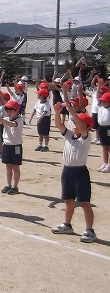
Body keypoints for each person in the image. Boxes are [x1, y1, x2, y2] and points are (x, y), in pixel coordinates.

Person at [50, 100, 97, 243]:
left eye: (79, 123)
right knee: (68, 201)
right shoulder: (70, 135)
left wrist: (71, 110)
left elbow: (82, 127)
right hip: (67, 171)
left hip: (80, 173)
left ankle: (90, 230)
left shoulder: (86, 137)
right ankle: (67, 225)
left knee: (84, 202)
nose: (75, 125)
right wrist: (57, 112)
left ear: (87, 127)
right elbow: (59, 124)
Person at [0, 99, 24, 195]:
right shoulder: (6, 119)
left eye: (11, 110)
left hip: (16, 146)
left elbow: (12, 125)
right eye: (7, 110)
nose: (8, 112)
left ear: (16, 111)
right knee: (8, 166)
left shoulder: (19, 120)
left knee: (15, 167)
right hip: (7, 145)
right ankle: (8, 184)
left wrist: (1, 120)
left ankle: (15, 186)